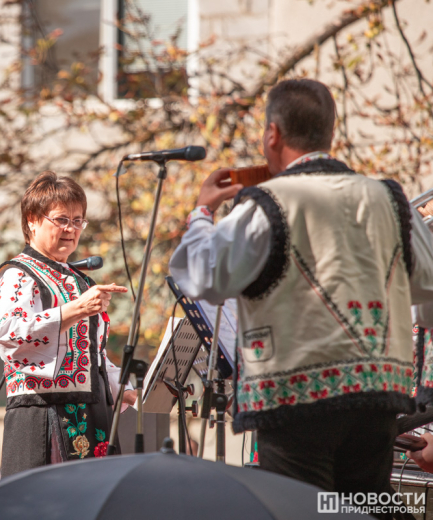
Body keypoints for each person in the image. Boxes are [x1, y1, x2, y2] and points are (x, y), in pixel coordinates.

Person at [168, 78, 433, 497]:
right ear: (330, 131)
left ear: (272, 134)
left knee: (300, 509)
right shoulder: (390, 199)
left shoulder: (268, 203)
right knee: (361, 509)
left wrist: (202, 212)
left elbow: (203, 277)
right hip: (378, 399)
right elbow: (429, 291)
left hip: (294, 402)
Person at [0, 170, 136, 477]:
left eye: (78, 220)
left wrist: (125, 389)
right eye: (61, 219)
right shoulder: (19, 274)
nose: (71, 229)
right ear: (32, 220)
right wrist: (75, 310)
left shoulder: (80, 280)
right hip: (43, 414)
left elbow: (91, 355)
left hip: (92, 413)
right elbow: (7, 335)